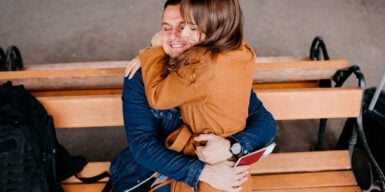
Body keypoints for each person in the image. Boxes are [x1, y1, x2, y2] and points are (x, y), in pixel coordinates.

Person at [110, 0, 276, 191]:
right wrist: (202, 172)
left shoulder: (216, 68)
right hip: (153, 175)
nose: (176, 36)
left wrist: (231, 146)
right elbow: (142, 145)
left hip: (219, 171)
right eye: (166, 28)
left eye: (188, 27)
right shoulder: (140, 75)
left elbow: (265, 121)